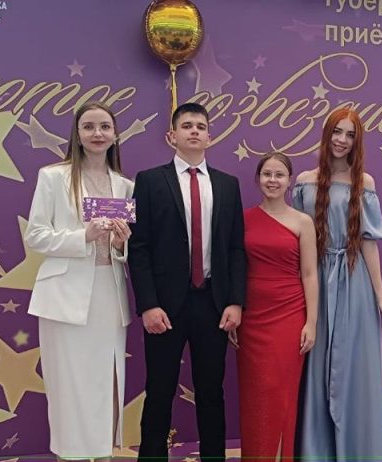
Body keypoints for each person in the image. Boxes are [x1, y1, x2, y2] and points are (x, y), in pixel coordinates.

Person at [128, 102, 247, 461]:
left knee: (211, 391)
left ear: (210, 136)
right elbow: (138, 247)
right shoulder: (149, 181)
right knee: (159, 390)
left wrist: (235, 301)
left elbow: (236, 249)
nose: (194, 131)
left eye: (201, 126)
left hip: (213, 303)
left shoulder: (228, 185)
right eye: (187, 126)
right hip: (164, 307)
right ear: (172, 136)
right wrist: (149, 304)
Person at [293, 108, 382, 461]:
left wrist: (381, 297)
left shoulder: (365, 183)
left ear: (358, 141)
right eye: (337, 132)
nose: (342, 140)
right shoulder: (304, 181)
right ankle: (317, 452)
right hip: (314, 281)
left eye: (350, 135)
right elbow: (294, 239)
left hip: (354, 281)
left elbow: (368, 243)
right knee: (316, 366)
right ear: (326, 134)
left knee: (356, 368)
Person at [25, 101, 133, 460]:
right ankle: (69, 454)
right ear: (77, 133)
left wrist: (120, 244)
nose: (97, 133)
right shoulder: (53, 177)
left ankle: (103, 453)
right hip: (64, 295)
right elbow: (36, 235)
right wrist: (82, 236)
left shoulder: (125, 185)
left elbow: (125, 247)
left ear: (115, 134)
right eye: (89, 126)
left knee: (106, 379)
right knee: (68, 384)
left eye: (104, 126)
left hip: (109, 292)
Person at [236, 152, 318, 462]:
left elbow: (309, 274)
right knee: (255, 394)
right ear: (258, 179)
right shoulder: (242, 219)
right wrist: (235, 311)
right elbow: (233, 269)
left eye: (279, 175)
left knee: (281, 392)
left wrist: (311, 322)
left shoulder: (303, 222)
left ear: (289, 181)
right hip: (251, 317)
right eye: (267, 174)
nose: (272, 180)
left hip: (289, 314)